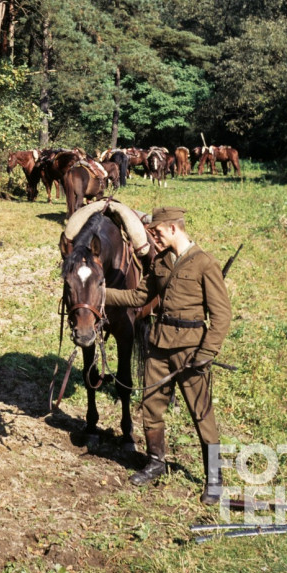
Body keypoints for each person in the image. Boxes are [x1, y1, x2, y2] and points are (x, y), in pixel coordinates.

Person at [104, 206, 231, 504]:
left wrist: (207, 352)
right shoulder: (160, 262)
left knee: (201, 413)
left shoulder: (205, 263)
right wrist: (101, 293)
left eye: (158, 232)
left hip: (191, 350)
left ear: (173, 228)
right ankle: (155, 462)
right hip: (159, 345)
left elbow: (222, 315)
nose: (155, 238)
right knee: (151, 405)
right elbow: (138, 296)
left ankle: (214, 478)